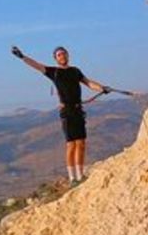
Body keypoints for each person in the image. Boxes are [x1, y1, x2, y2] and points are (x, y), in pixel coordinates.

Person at [11, 45, 108, 183]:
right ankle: (72, 177)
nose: (62, 56)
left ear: (68, 56)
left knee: (81, 143)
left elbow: (88, 83)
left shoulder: (75, 71)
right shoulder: (54, 72)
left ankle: (81, 175)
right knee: (71, 144)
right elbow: (36, 65)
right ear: (55, 58)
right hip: (66, 111)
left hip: (78, 110)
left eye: (64, 54)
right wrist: (22, 57)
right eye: (59, 55)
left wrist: (102, 88)